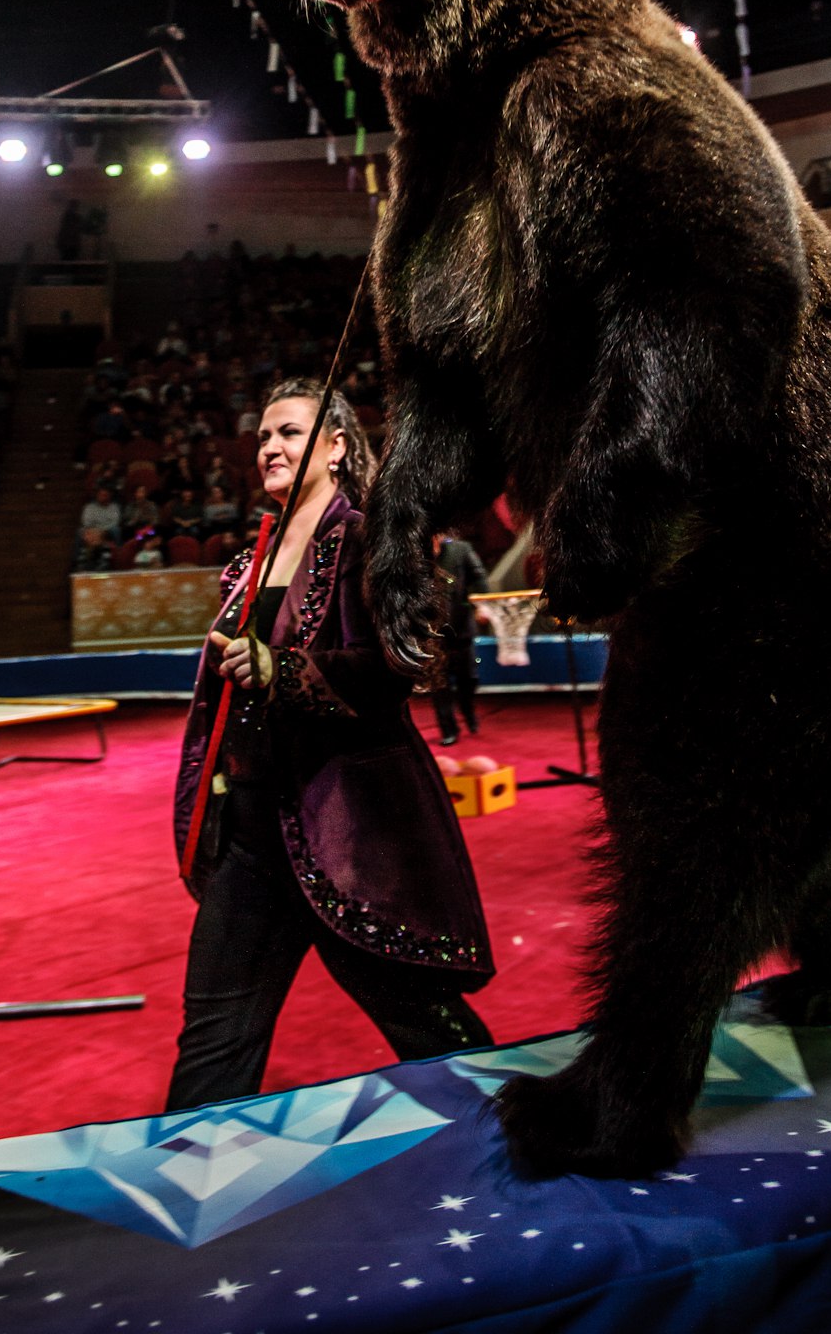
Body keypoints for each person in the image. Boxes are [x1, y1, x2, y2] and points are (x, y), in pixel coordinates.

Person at [167, 378, 493, 1113]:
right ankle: (185, 1180)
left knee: (422, 1023)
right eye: (262, 437)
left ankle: (513, 1146)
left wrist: (278, 669)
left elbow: (398, 667)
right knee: (213, 1035)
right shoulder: (255, 551)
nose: (270, 448)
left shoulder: (371, 534)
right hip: (253, 831)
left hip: (346, 831)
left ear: (338, 446)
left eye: (289, 432)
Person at [430, 530, 490, 745]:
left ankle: (468, 711)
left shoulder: (460, 550)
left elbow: (479, 578)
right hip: (433, 633)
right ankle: (449, 730)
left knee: (469, 679)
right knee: (439, 685)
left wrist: (482, 605)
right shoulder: (414, 555)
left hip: (462, 627)